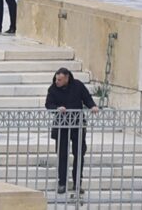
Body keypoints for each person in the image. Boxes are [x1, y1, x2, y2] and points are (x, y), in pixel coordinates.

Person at [45, 67, 98, 196]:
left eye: (60, 79)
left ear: (67, 78)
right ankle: (62, 183)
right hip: (62, 126)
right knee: (62, 154)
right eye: (56, 79)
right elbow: (48, 104)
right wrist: (57, 108)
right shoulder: (53, 89)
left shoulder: (78, 85)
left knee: (79, 154)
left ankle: (77, 183)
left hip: (77, 125)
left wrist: (92, 106)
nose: (57, 81)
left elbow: (87, 98)